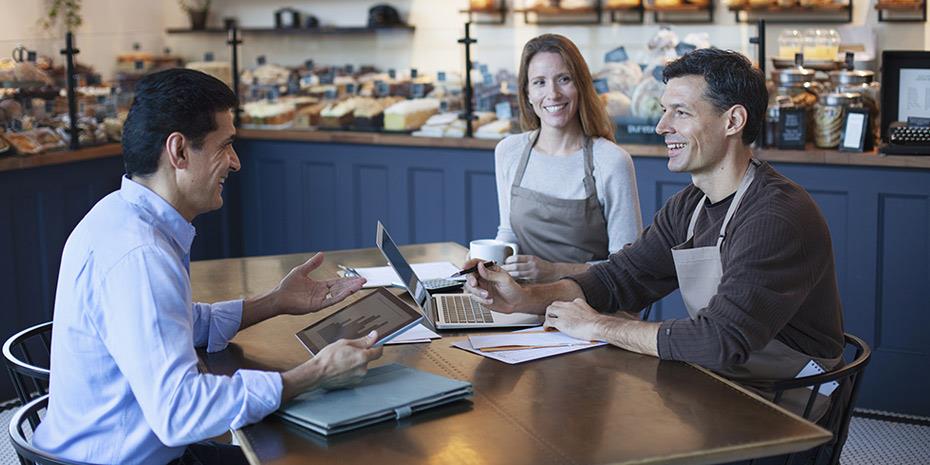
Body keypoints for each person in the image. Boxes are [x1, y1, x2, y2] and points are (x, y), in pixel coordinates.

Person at [466, 48, 845, 418]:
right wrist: (524, 299)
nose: (663, 126)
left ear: (733, 121)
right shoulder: (690, 205)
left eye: (680, 113)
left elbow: (718, 341)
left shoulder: (776, 216)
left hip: (787, 402)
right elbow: (618, 278)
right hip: (726, 381)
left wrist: (600, 325)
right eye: (665, 111)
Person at [33, 69, 383, 465]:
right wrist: (314, 372)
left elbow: (173, 323)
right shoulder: (141, 255)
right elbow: (180, 413)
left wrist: (276, 301)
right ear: (179, 151)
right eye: (226, 146)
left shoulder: (118, 215)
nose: (235, 163)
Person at [492, 34, 642, 283]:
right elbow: (508, 234)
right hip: (525, 302)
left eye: (564, 79)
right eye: (539, 82)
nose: (553, 93)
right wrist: (487, 263)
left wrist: (554, 272)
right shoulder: (509, 151)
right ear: (527, 93)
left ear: (580, 86)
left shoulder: (611, 161)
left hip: (592, 309)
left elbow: (627, 268)